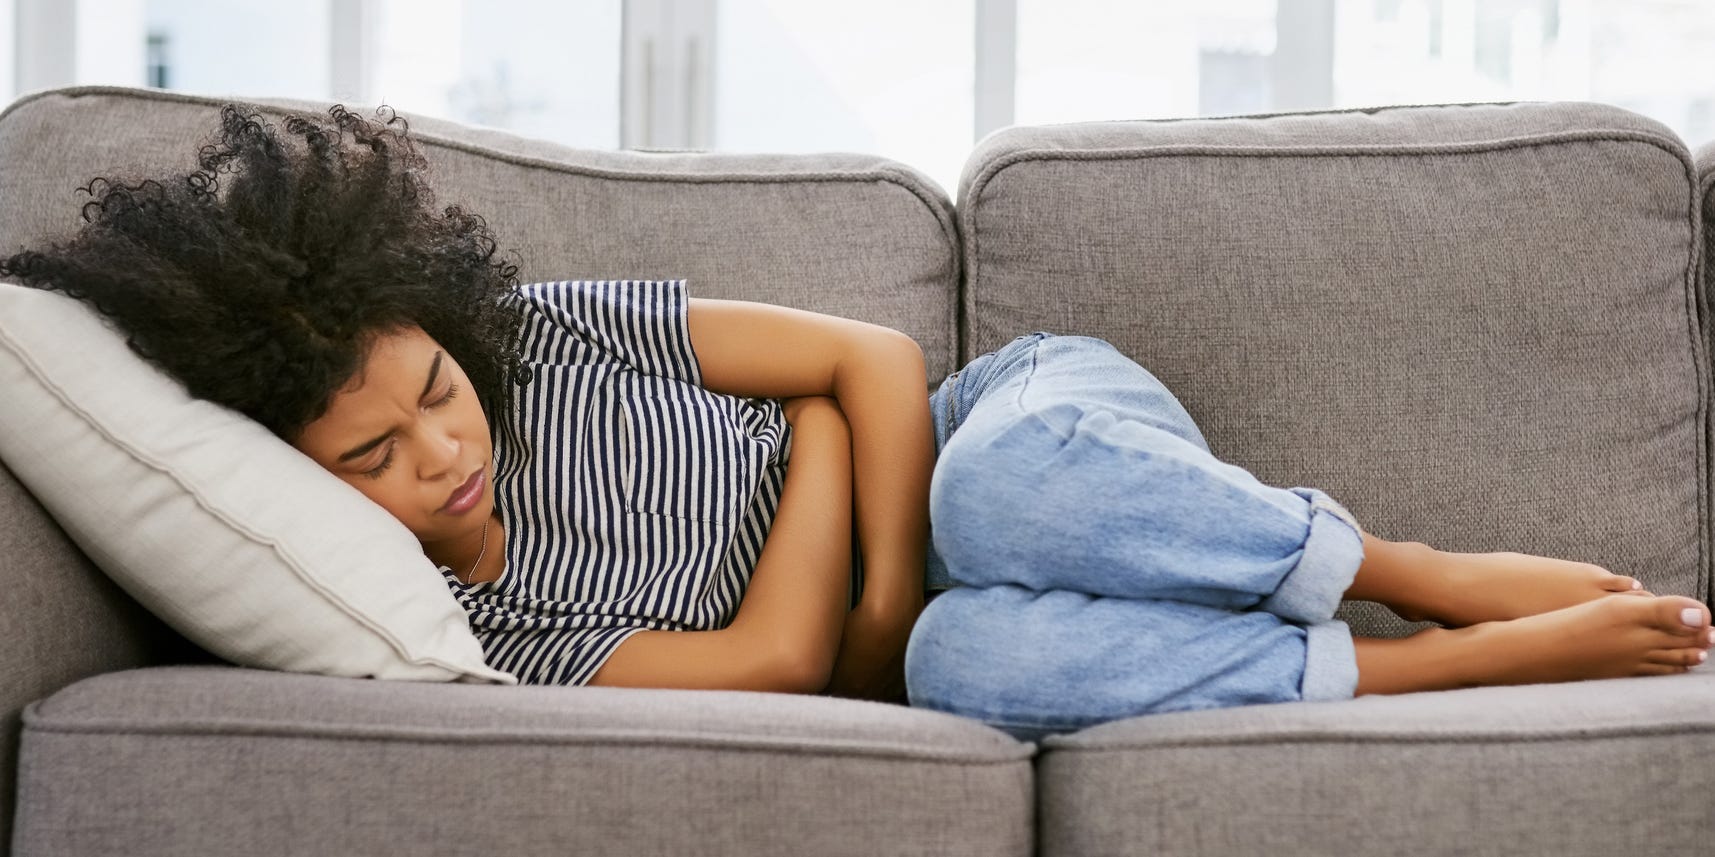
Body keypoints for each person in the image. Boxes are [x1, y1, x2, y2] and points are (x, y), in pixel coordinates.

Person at [4, 103, 1710, 741]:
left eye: (434, 396)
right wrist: (832, 457)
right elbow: (755, 675)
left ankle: (1413, 568)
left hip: (1032, 437)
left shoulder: (548, 336)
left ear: (451, 332)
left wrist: (868, 595)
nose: (441, 452)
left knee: (987, 510)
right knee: (977, 668)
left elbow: (888, 378)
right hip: (983, 602)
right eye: (370, 462)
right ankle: (1442, 665)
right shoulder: (478, 628)